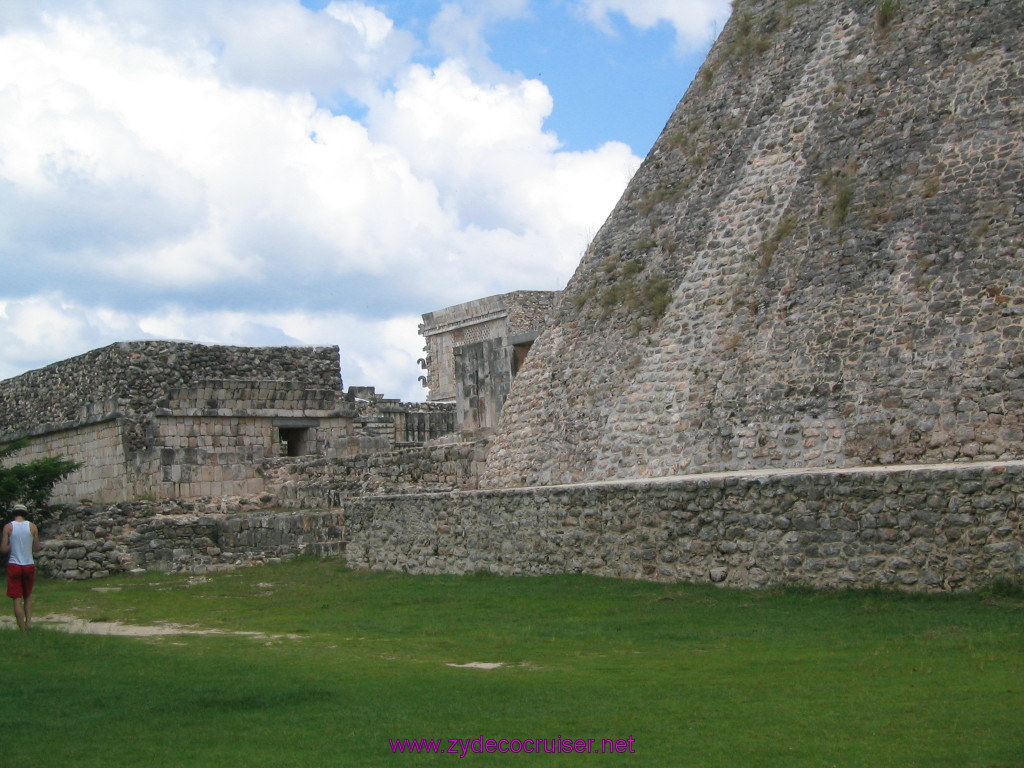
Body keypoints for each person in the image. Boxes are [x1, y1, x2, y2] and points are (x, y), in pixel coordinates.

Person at [2, 504, 40, 632]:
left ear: (14, 513)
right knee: (28, 595)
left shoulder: (8, 527)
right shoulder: (32, 526)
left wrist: (11, 546)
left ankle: (22, 629)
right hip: (28, 564)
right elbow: (37, 547)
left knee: (16, 598)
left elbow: (3, 548)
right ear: (25, 514)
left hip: (14, 564)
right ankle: (29, 622)